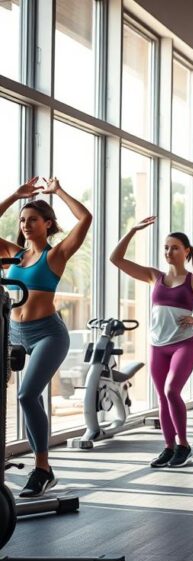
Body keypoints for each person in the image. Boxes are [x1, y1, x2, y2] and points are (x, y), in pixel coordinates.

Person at [111, 219, 193, 469]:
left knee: (171, 391)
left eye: (174, 247)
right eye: (166, 248)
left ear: (186, 251)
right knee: (162, 398)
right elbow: (116, 259)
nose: (168, 252)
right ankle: (168, 447)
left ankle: (184, 445)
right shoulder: (154, 276)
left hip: (183, 344)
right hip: (158, 346)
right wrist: (132, 230)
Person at [1, 177, 91, 496]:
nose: (25, 225)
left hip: (48, 335)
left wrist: (59, 191)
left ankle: (42, 468)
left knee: (26, 396)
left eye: (32, 220)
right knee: (26, 397)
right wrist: (14, 196)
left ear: (47, 223)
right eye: (22, 220)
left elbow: (86, 219)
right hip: (12, 332)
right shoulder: (14, 253)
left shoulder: (56, 255)